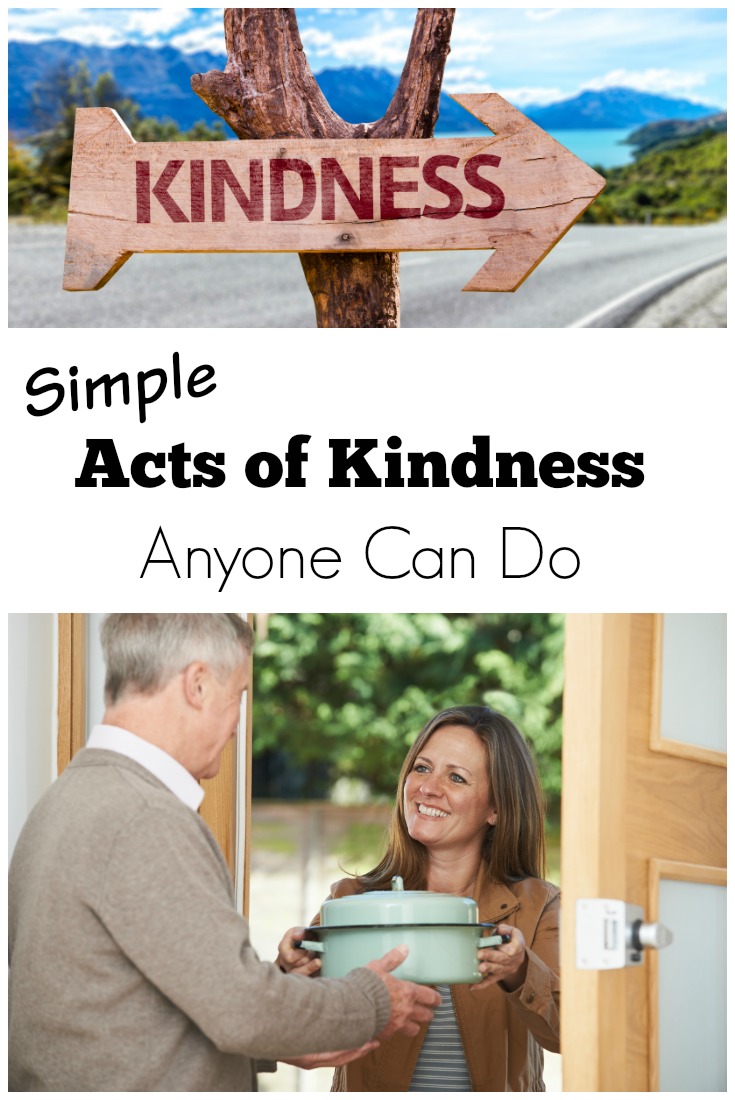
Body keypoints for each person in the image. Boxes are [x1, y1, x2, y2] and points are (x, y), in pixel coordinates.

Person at [8, 614, 440, 1091]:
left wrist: (278, 1013)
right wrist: (372, 1000)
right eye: (238, 695)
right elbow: (240, 1011)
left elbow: (144, 1012)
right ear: (197, 684)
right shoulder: (143, 817)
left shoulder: (67, 800)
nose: (238, 725)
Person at [277, 705, 560, 1091]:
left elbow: (570, 1033)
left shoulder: (539, 906)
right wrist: (287, 972)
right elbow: (287, 1030)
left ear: (496, 808)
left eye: (456, 777)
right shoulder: (349, 901)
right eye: (422, 768)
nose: (428, 788)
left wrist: (519, 970)